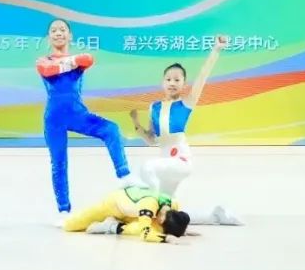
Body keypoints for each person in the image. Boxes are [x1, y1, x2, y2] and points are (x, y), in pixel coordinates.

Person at [129, 35, 243, 226]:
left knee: (147, 168)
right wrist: (136, 123)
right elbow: (152, 140)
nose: (172, 83)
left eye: (177, 79)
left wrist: (216, 49)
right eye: (168, 79)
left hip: (181, 160)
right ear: (162, 82)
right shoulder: (154, 107)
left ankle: (152, 207)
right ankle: (215, 216)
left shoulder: (186, 103)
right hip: (166, 161)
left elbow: (203, 76)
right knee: (170, 215)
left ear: (183, 84)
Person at [36, 18, 131, 221]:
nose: (58, 33)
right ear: (48, 37)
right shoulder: (43, 61)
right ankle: (64, 210)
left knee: (111, 129)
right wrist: (70, 63)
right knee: (59, 163)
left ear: (70, 36)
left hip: (78, 114)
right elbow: (47, 70)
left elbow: (88, 59)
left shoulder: (79, 59)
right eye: (54, 30)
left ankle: (125, 176)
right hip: (54, 120)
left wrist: (65, 63)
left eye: (62, 29)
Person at [62, 184, 191, 244]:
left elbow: (181, 219)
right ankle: (111, 225)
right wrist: (167, 238)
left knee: (154, 228)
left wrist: (182, 230)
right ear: (161, 220)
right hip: (113, 205)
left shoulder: (173, 204)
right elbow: (145, 234)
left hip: (131, 213)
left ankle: (113, 226)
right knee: (70, 225)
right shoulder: (149, 205)